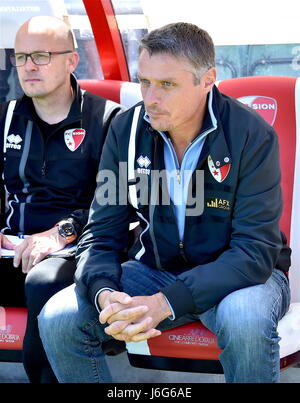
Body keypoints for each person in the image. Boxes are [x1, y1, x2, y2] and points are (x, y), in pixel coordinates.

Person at [38, 22, 291, 383]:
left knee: (245, 319)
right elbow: (102, 232)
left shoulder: (252, 135)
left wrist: (166, 302)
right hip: (154, 270)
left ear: (207, 80)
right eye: (145, 82)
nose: (150, 98)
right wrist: (104, 293)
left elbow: (254, 253)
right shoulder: (126, 130)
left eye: (167, 84)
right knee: (58, 318)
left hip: (240, 279)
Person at [0, 16, 123, 383]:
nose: (28, 67)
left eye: (40, 55)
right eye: (20, 57)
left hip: (77, 250)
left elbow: (118, 204)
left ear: (72, 61)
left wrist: (60, 232)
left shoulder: (108, 118)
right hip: (14, 249)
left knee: (44, 280)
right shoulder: (6, 118)